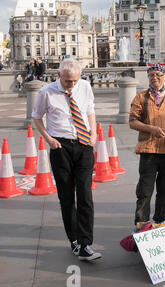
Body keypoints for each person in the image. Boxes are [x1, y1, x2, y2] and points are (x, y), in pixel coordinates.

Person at [32, 58, 101, 261]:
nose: (71, 85)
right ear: (59, 76)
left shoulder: (85, 86)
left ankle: (86, 244)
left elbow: (90, 109)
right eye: (68, 81)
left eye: (75, 81)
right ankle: (75, 241)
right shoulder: (46, 92)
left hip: (84, 143)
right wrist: (48, 139)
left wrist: (93, 135)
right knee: (67, 196)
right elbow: (36, 116)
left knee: (86, 195)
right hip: (60, 146)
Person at [129, 64, 165, 231]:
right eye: (152, 75)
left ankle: (160, 221)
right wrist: (151, 129)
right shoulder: (140, 97)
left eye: (158, 75)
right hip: (149, 151)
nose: (155, 78)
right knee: (145, 191)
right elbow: (132, 122)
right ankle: (141, 225)